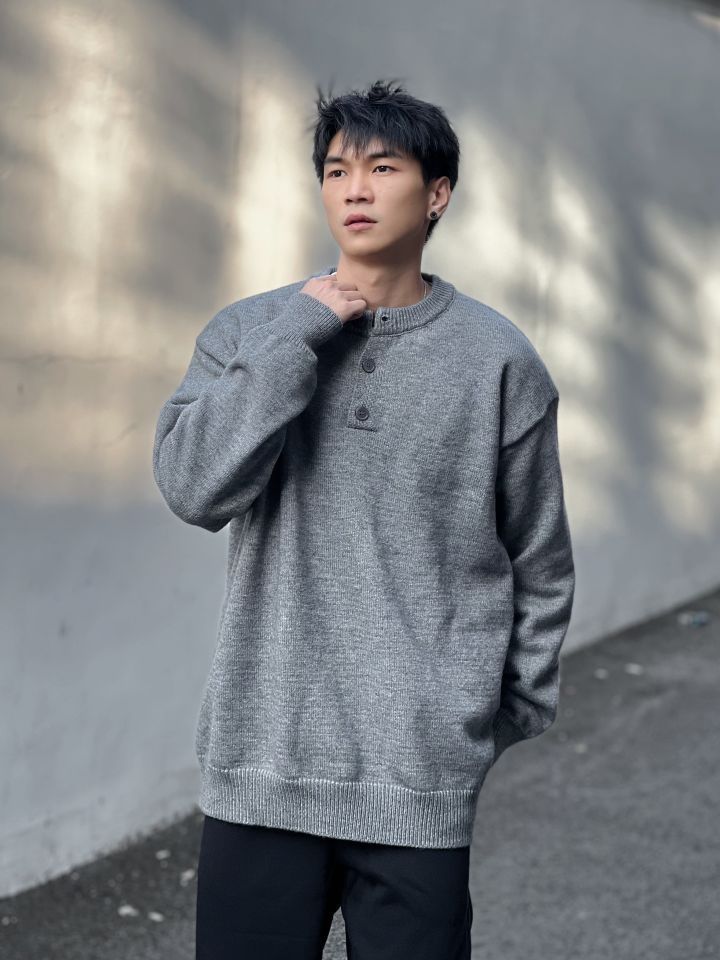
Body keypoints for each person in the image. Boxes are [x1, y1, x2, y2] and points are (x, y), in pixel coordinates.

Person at [152, 77, 576, 960]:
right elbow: (194, 488)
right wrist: (300, 332)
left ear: (437, 194)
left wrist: (482, 725)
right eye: (337, 169)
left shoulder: (498, 361)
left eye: (383, 168)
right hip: (263, 765)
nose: (355, 188)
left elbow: (540, 559)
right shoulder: (250, 332)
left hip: (418, 777)